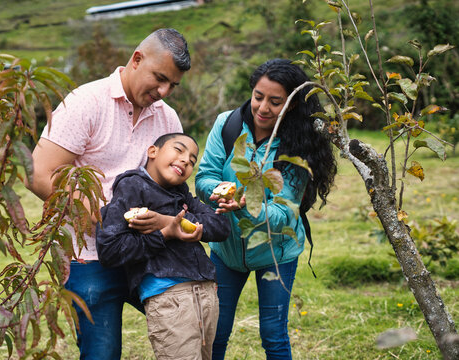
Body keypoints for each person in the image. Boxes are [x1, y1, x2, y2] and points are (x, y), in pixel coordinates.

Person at [25, 29, 191, 360]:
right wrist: (100, 215)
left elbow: (171, 181)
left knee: (191, 331)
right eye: (159, 79)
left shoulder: (167, 117)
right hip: (89, 256)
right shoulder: (85, 102)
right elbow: (38, 173)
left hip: (149, 250)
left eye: (172, 85)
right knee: (102, 353)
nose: (163, 91)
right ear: (136, 59)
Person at [195, 58, 337, 359]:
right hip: (227, 249)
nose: (263, 108)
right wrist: (221, 192)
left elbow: (284, 212)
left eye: (275, 102)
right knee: (215, 334)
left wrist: (247, 207)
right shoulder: (228, 125)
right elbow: (205, 175)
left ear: (292, 105)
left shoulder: (299, 145)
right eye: (258, 96)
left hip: (278, 251)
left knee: (273, 335)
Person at [96, 133, 230, 360]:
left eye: (192, 160)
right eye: (179, 150)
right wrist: (165, 234)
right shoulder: (132, 187)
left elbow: (220, 226)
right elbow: (110, 249)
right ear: (152, 152)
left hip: (206, 294)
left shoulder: (183, 195)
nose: (186, 160)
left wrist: (168, 221)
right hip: (169, 297)